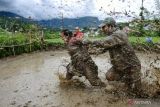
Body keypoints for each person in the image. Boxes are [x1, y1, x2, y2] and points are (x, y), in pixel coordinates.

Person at [85, 17, 142, 94]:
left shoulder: (119, 34)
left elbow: (104, 41)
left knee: (139, 92)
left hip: (131, 67)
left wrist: (90, 41)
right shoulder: (112, 37)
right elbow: (102, 49)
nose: (102, 29)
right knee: (110, 76)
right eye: (102, 27)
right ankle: (125, 83)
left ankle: (130, 84)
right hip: (120, 67)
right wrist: (88, 52)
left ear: (110, 26)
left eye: (104, 27)